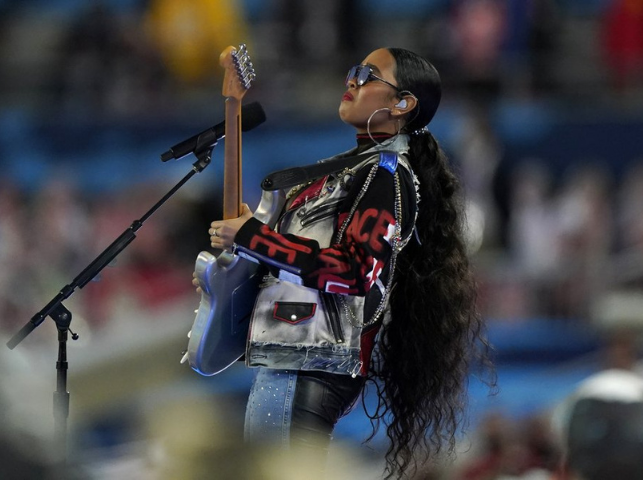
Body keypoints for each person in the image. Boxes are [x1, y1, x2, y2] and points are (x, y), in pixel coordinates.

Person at [197, 47, 492, 478]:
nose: (350, 81)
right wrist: (233, 265)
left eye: (367, 75)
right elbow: (290, 267)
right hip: (292, 358)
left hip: (310, 362)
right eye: (353, 71)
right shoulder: (349, 172)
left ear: (402, 104)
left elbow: (354, 271)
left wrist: (252, 237)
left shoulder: (385, 175)